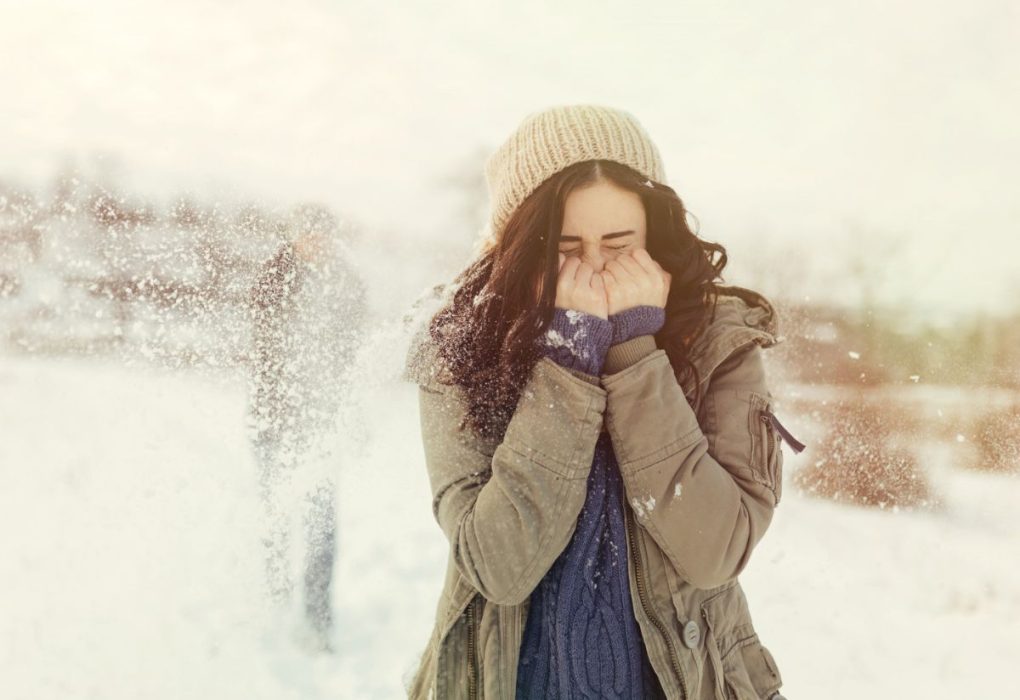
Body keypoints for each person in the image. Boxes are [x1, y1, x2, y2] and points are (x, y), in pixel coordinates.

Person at [403, 105, 804, 698]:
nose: (593, 269)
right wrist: (569, 360)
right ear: (520, 248)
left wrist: (634, 355)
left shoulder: (719, 341)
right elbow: (498, 567)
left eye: (619, 244)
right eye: (565, 248)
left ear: (655, 236)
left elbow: (715, 551)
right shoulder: (463, 350)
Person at [246, 202, 366, 653]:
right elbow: (266, 350)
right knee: (275, 516)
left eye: (322, 234)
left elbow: (353, 354)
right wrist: (287, 401)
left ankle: (317, 621)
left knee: (321, 526)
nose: (315, 242)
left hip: (320, 426)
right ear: (293, 236)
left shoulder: (347, 283)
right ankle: (274, 599)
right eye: (306, 234)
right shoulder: (273, 278)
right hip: (274, 421)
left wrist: (348, 413)